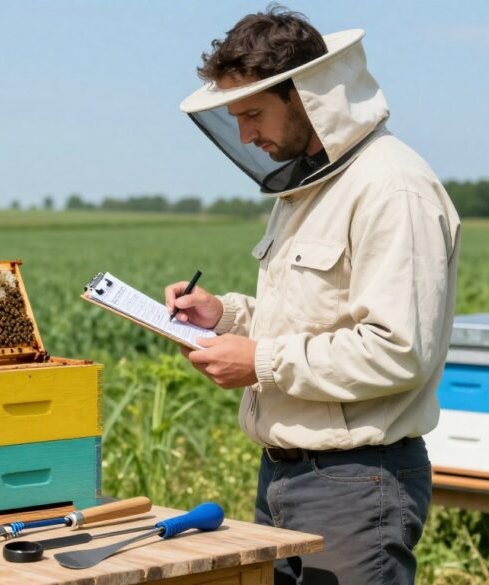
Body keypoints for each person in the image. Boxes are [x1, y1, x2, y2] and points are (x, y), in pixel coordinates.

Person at [164, 6, 460, 584]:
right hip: (284, 474)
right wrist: (224, 315)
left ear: (308, 96)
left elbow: (397, 349)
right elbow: (310, 316)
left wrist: (261, 362)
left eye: (253, 113)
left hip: (358, 482)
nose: (245, 134)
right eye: (236, 117)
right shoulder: (310, 188)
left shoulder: (391, 188)